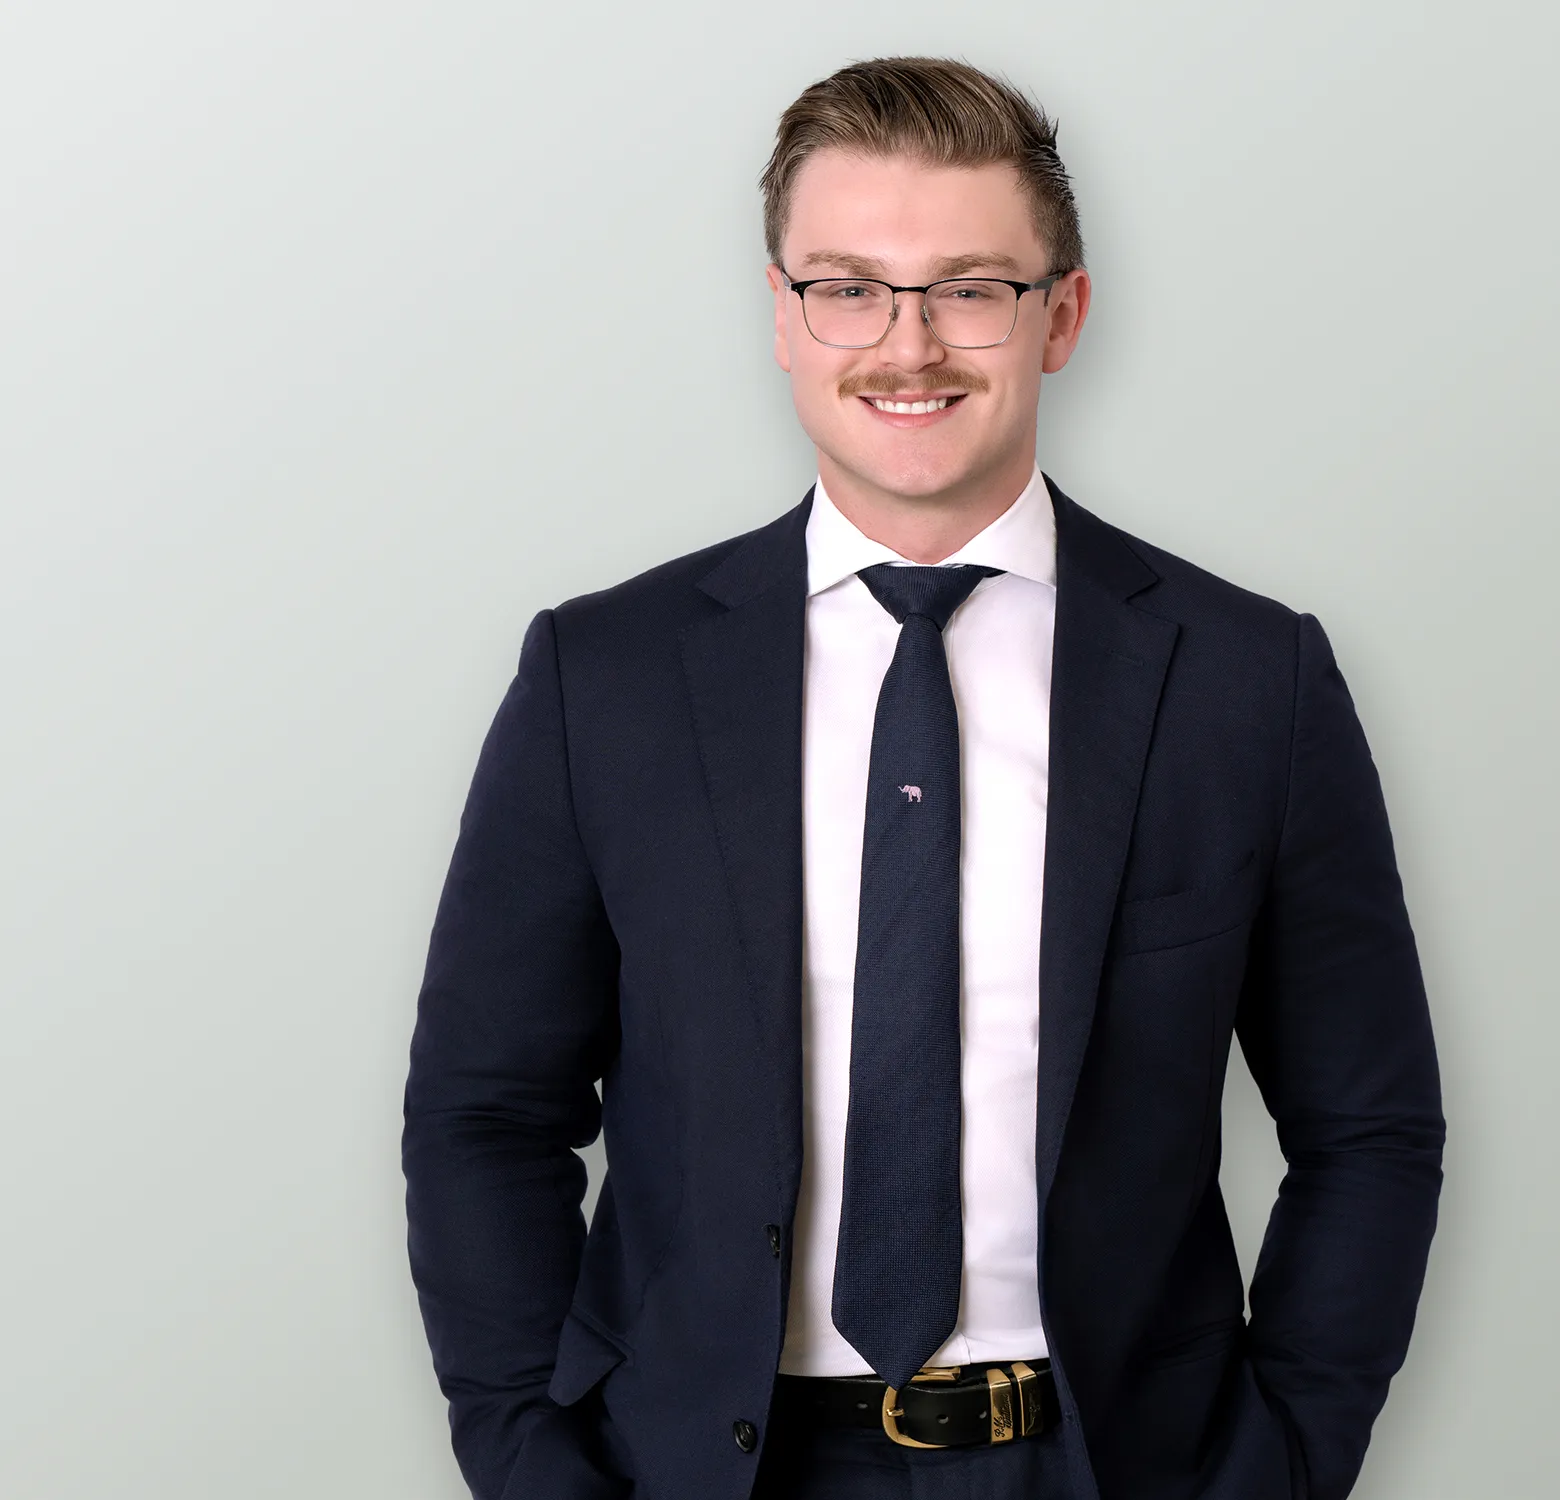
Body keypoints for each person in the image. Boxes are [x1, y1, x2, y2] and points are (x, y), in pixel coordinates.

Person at [402, 56, 1443, 1500]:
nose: (909, 346)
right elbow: (484, 1113)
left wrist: (1284, 1463)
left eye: (971, 289)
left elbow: (1368, 1124)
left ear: (1061, 315)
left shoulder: (1247, 682)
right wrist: (534, 1461)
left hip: (1112, 1466)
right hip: (703, 1468)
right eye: (849, 288)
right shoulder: (606, 679)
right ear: (782, 315)